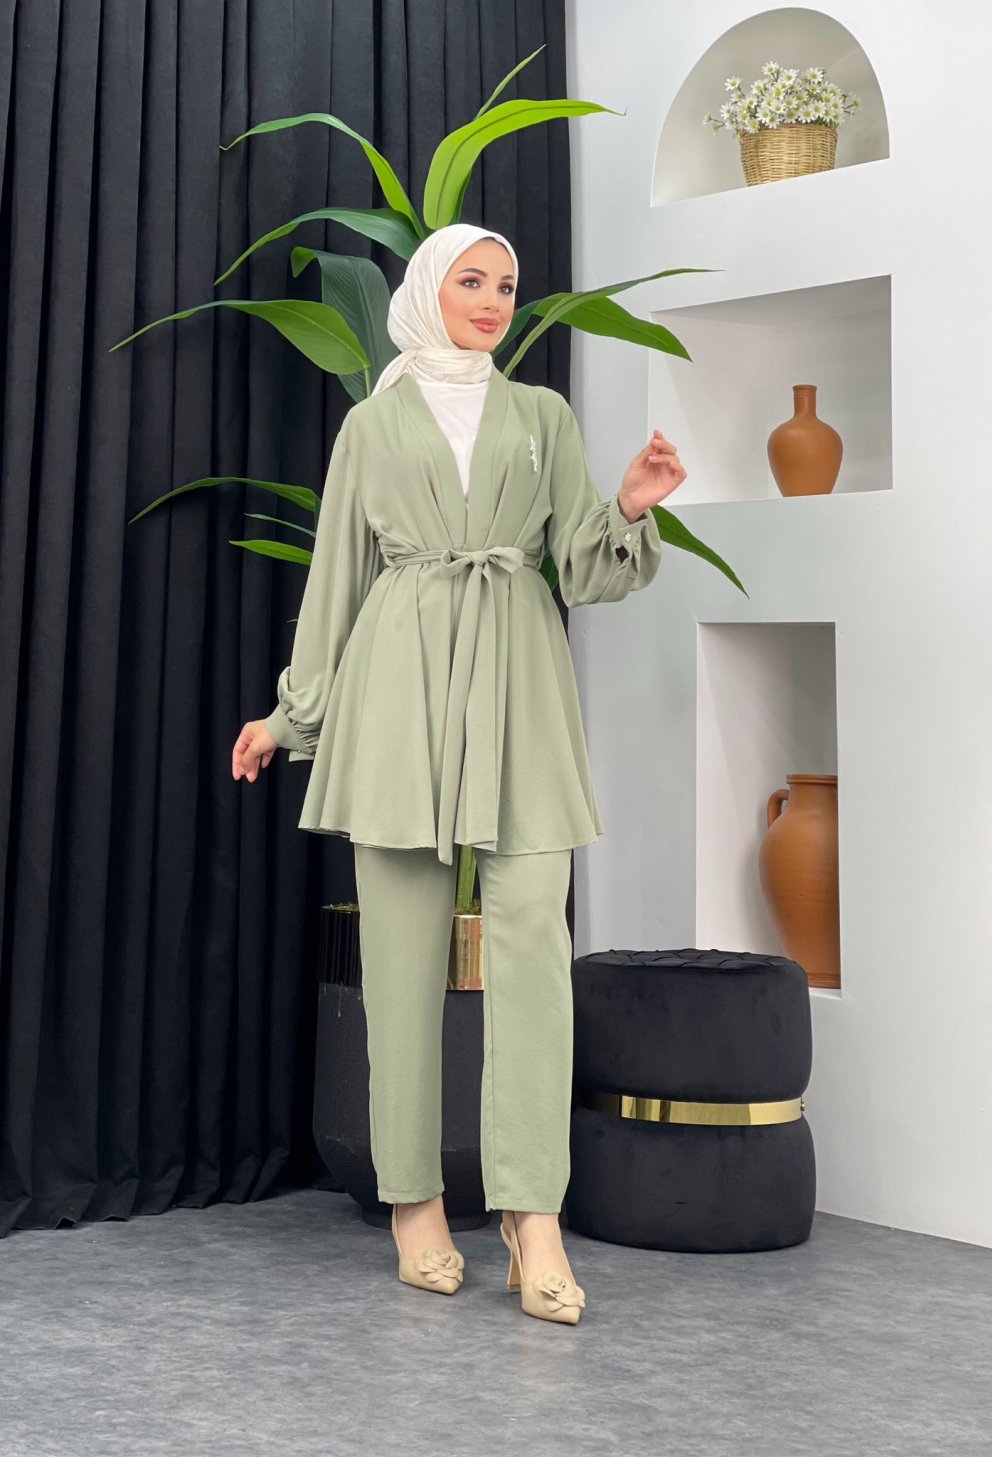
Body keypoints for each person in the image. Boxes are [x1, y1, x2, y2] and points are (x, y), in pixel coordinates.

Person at [232, 222, 687, 1325]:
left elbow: (581, 566)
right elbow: (336, 581)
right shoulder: (373, 423)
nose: (492, 299)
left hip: (521, 686)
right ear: (429, 290)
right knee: (398, 962)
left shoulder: (543, 416)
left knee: (534, 948)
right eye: (471, 281)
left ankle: (534, 1214)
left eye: (507, 285)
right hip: (398, 692)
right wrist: (292, 716)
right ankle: (414, 1202)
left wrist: (630, 505)